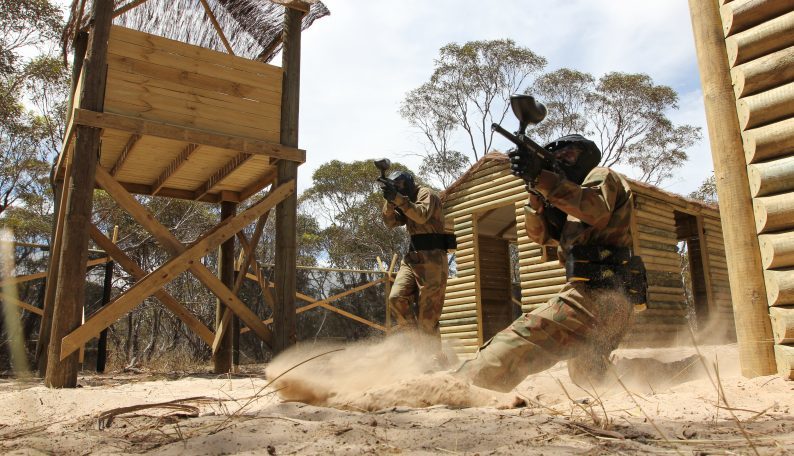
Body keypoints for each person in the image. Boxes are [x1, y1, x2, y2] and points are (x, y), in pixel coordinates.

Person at [455, 134, 646, 392]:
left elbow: (595, 210)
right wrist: (535, 192)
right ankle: (675, 371)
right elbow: (539, 235)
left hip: (597, 295)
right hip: (607, 299)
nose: (562, 160)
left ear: (586, 156)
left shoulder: (601, 175)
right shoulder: (567, 201)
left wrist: (546, 180)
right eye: (557, 157)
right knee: (590, 375)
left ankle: (457, 385)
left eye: (569, 154)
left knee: (516, 342)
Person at [381, 170, 451, 348]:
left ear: (409, 182)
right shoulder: (405, 200)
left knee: (428, 317)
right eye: (395, 187)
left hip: (433, 260)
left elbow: (420, 215)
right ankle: (418, 347)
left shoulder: (425, 193)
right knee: (396, 298)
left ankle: (433, 357)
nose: (398, 189)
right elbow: (390, 222)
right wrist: (390, 202)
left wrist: (398, 199)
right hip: (413, 258)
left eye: (399, 185)